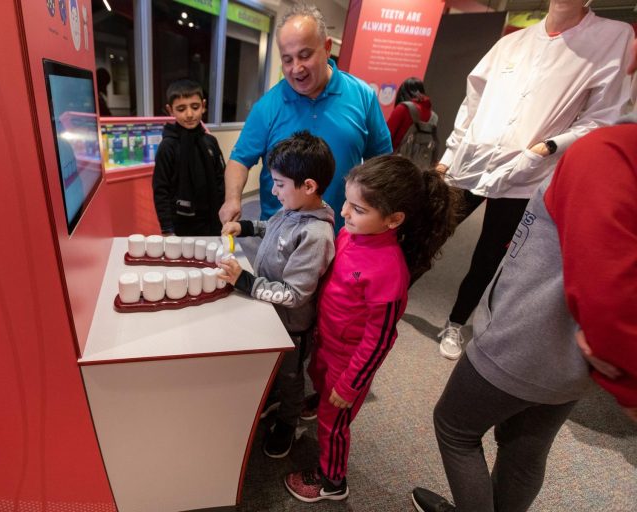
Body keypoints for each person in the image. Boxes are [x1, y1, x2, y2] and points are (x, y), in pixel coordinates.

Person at [411, 38, 637, 512]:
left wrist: (629, 387)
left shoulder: (609, 152)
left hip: (524, 342)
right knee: (525, 450)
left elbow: (606, 294)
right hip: (568, 366)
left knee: (454, 427)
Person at [433, 0, 633, 360]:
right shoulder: (514, 42)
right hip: (473, 161)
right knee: (428, 230)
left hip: (527, 172)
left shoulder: (612, 37)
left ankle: (455, 322)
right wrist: (449, 157)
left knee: (491, 254)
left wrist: (546, 148)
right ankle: (385, 303)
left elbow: (605, 115)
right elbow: (473, 101)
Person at [283, 156, 458, 502]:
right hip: (327, 343)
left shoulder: (389, 273)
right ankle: (321, 396)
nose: (345, 212)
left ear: (393, 220)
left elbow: (380, 340)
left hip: (349, 364)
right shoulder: (350, 234)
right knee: (318, 381)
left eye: (358, 208)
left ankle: (332, 480)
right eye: (346, 201)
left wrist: (350, 385)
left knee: (333, 426)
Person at [218, 2, 391, 233]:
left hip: (342, 232)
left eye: (305, 55)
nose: (296, 68)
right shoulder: (268, 105)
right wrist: (232, 199)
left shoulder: (363, 97)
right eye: (287, 59)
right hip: (279, 235)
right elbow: (240, 159)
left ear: (327, 47)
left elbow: (382, 162)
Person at [217, 131, 336, 459]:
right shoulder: (291, 210)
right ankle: (274, 399)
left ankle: (288, 419)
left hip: (292, 326)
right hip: (271, 310)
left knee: (291, 376)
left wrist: (246, 283)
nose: (273, 191)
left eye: (280, 184)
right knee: (273, 367)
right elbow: (274, 227)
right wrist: (249, 228)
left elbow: (296, 295)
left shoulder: (315, 234)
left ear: (308, 186)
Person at [152, 79, 225, 236]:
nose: (189, 114)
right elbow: (161, 190)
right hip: (180, 223)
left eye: (195, 107)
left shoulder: (210, 142)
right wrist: (166, 228)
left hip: (211, 219)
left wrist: (224, 215)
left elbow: (220, 181)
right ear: (170, 110)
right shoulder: (167, 147)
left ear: (203, 106)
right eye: (181, 109)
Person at [386, 77, 436, 152]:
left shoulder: (403, 108)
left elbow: (386, 137)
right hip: (419, 161)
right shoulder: (433, 116)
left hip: (395, 159)